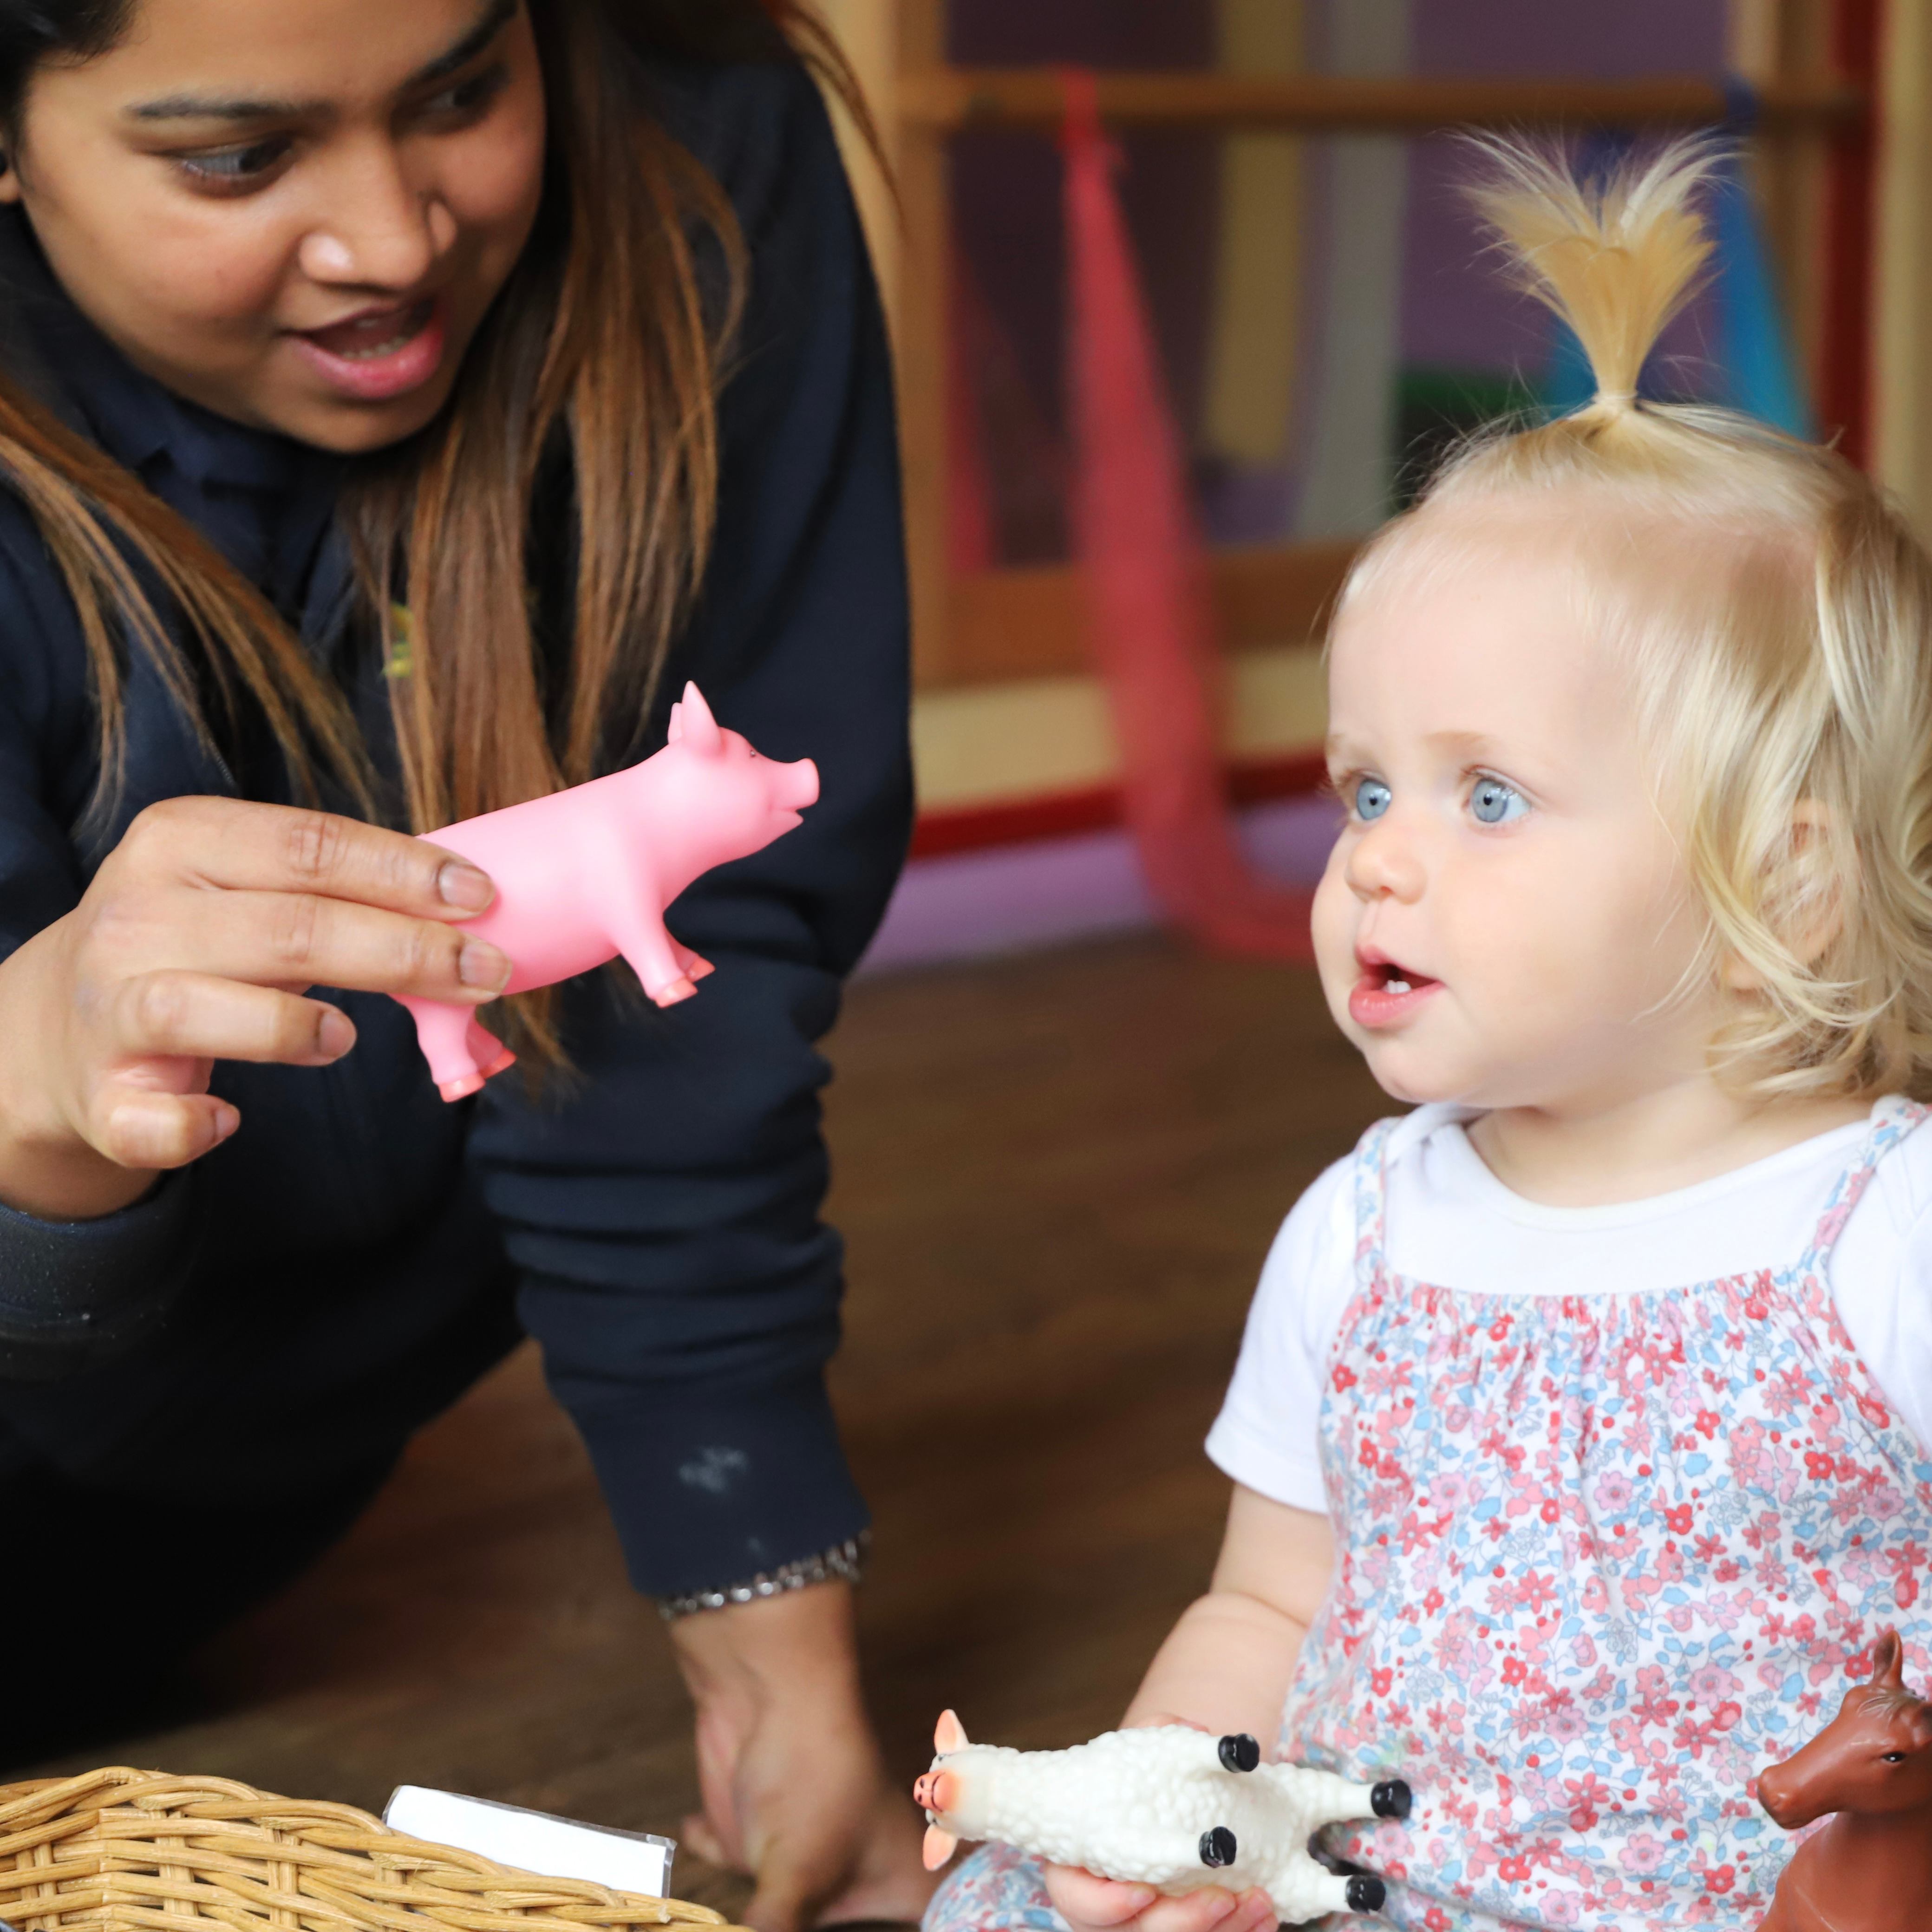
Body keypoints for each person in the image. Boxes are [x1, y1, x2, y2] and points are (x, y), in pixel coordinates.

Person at [923, 139, 1932, 1932]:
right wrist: (1179, 1812)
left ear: (1780, 887)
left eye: (1489, 796)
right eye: (1366, 787)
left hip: (1731, 1911)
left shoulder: (1884, 1236)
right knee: (1000, 1906)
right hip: (1366, 1891)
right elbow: (1265, 1604)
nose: (1376, 857)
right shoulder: (1364, 1233)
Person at [0, 2, 929, 1927]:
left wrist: (761, 1611)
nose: (394, 243)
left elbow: (690, 979)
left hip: (212, 1529)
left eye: (462, 92)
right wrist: (33, 1112)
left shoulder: (699, 142)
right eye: (236, 158)